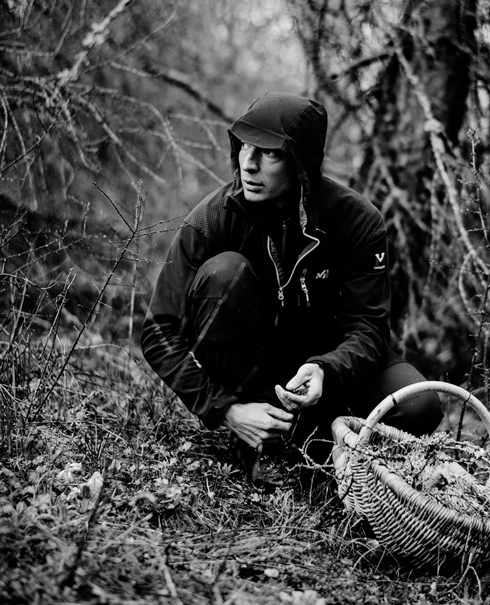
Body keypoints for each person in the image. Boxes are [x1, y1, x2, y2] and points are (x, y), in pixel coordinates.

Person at [141, 92, 442, 486]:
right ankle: (260, 442)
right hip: (257, 375)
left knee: (420, 404)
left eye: (269, 154)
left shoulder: (359, 222)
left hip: (328, 373)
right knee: (224, 273)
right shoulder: (213, 219)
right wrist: (226, 410)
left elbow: (369, 329)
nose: (248, 165)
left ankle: (333, 449)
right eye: (244, 147)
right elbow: (158, 332)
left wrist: (325, 369)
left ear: (301, 163)